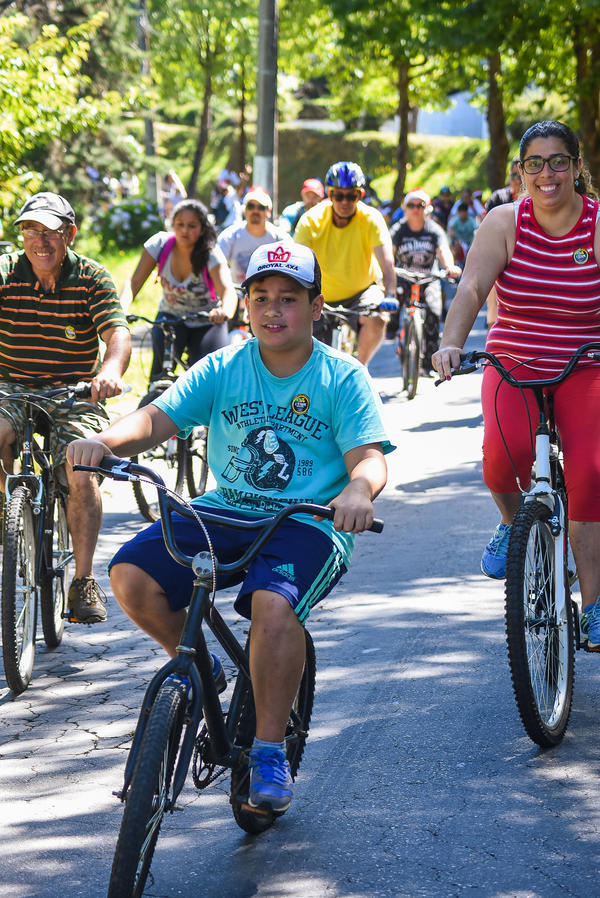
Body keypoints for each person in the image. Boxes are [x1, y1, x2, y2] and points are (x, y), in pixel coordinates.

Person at [67, 240, 392, 814]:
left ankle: (268, 749)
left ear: (316, 307)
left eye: (288, 299)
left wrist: (358, 490)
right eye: (260, 297)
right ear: (244, 305)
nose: (272, 310)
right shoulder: (224, 365)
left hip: (307, 522)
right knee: (131, 575)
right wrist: (103, 441)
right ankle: (200, 664)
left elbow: (368, 457)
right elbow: (156, 418)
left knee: (272, 606)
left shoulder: (341, 377)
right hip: (225, 508)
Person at [432, 119, 600, 652]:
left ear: (576, 167)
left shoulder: (596, 223)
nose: (546, 173)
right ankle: (512, 523)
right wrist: (451, 342)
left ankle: (594, 605)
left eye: (557, 162)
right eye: (534, 163)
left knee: (592, 471)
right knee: (502, 458)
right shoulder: (504, 221)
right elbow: (474, 286)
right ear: (520, 173)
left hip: (587, 361)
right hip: (515, 360)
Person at [0, 192, 130, 623]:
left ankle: (83, 580)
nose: (40, 241)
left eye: (50, 232)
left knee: (82, 467)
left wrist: (109, 371)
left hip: (74, 390)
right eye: (30, 231)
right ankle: (7, 520)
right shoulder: (5, 272)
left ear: (69, 235)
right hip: (10, 384)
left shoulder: (92, 278)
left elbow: (117, 335)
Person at [120, 198, 237, 382]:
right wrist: (122, 309)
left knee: (208, 375)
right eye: (180, 224)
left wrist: (224, 312)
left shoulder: (211, 254)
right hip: (170, 317)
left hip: (206, 320)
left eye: (192, 226)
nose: (185, 230)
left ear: (202, 229)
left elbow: (228, 290)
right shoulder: (159, 245)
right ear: (172, 225)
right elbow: (134, 282)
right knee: (159, 373)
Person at [294, 161, 397, 366]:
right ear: (329, 195)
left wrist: (391, 294)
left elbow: (387, 263)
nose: (345, 201)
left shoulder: (371, 218)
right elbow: (297, 264)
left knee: (378, 319)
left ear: (360, 195)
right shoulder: (310, 220)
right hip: (320, 294)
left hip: (362, 291)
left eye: (351, 195)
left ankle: (359, 370)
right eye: (338, 195)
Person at [390, 189, 462, 374]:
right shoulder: (399, 229)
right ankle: (394, 330)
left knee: (433, 311)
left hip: (429, 278)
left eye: (420, 205)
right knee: (394, 300)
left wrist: (449, 267)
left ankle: (430, 361)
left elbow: (443, 250)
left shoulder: (433, 229)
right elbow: (389, 252)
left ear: (427, 208)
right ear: (405, 208)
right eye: (411, 205)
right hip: (404, 276)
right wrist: (386, 268)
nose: (416, 209)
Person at [217, 187, 288, 287]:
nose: (255, 211)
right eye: (251, 206)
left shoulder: (280, 239)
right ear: (245, 210)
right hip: (238, 292)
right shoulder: (229, 236)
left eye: (261, 207)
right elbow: (216, 265)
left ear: (268, 211)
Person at [482, 160, 523, 328]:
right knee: (493, 313)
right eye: (513, 175)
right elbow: (484, 229)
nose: (517, 180)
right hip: (498, 257)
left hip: (523, 258)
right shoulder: (499, 198)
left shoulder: (540, 199)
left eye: (519, 175)